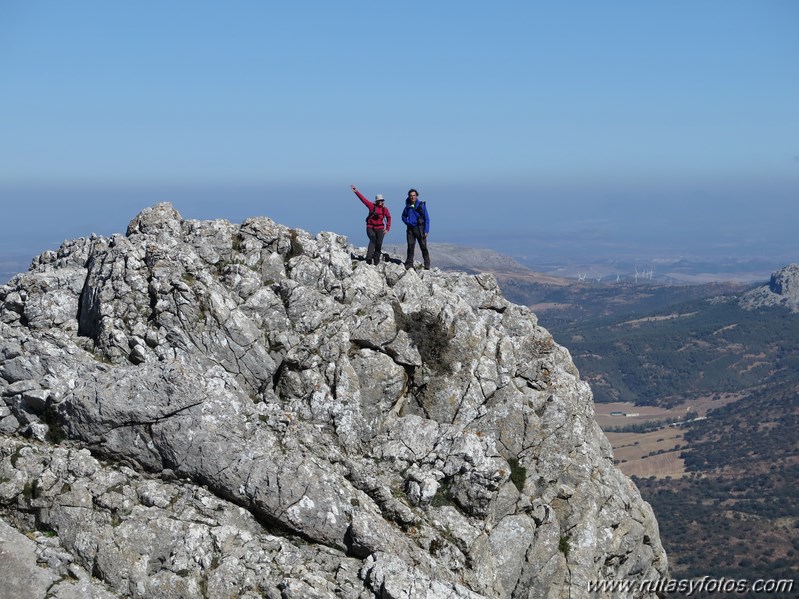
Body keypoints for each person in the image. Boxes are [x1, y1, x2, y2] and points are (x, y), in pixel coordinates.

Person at [351, 184, 391, 265]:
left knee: (379, 244)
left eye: (382, 200)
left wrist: (387, 228)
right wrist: (356, 191)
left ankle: (376, 260)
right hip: (370, 227)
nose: (381, 202)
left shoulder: (385, 209)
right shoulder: (371, 206)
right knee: (373, 240)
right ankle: (368, 259)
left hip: (380, 229)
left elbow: (389, 217)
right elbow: (363, 200)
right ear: (376, 201)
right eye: (379, 201)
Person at [401, 188, 430, 270]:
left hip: (420, 229)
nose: (412, 197)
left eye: (414, 195)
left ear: (416, 196)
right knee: (410, 246)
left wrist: (426, 230)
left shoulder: (421, 205)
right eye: (411, 196)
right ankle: (409, 263)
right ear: (409, 197)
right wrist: (407, 222)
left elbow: (427, 218)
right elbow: (403, 216)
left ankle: (427, 264)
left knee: (423, 246)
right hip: (410, 229)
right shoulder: (407, 206)